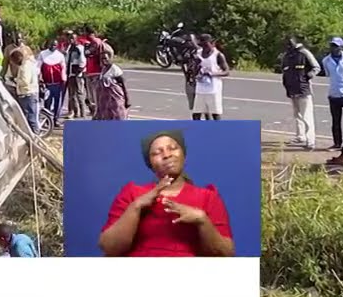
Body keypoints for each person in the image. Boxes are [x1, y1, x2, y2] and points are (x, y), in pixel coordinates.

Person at [98, 130, 235, 257]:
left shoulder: (208, 197)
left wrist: (202, 220)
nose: (167, 155)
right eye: (157, 153)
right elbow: (109, 248)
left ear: (183, 155)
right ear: (150, 163)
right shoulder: (132, 193)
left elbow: (225, 253)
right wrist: (136, 207)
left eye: (173, 148)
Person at [280, 34, 321, 149]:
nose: (288, 47)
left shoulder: (304, 53)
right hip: (292, 89)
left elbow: (316, 67)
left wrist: (308, 76)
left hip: (303, 89)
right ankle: (300, 136)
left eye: (290, 44)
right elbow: (283, 70)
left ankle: (310, 140)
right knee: (297, 115)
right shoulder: (287, 56)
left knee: (306, 115)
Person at [5, 36, 40, 134]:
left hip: (28, 94)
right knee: (29, 118)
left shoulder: (25, 67)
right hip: (27, 93)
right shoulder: (27, 64)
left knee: (31, 119)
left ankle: (35, 138)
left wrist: (16, 80)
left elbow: (25, 81)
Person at [192, 34, 229, 121]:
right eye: (202, 45)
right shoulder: (198, 54)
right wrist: (196, 68)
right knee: (196, 114)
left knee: (215, 114)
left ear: (212, 43)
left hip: (213, 90)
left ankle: (217, 132)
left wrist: (213, 74)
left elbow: (226, 72)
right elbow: (194, 71)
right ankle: (199, 131)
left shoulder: (218, 55)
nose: (204, 48)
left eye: (206, 45)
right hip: (200, 89)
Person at [91, 49, 130, 121]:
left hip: (115, 99)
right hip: (105, 101)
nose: (103, 60)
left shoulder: (114, 69)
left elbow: (123, 83)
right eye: (102, 59)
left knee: (117, 114)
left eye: (105, 58)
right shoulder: (103, 69)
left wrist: (127, 99)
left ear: (110, 58)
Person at [38, 38, 67, 125]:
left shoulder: (60, 55)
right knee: (47, 102)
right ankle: (48, 120)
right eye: (51, 44)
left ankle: (56, 119)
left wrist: (63, 78)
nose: (52, 46)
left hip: (58, 83)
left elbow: (63, 68)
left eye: (54, 45)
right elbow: (38, 66)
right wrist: (39, 77)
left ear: (57, 46)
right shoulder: (43, 54)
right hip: (47, 84)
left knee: (57, 103)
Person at [64, 30, 87, 119]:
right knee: (71, 95)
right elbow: (67, 60)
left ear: (76, 39)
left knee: (79, 94)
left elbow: (83, 61)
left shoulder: (79, 48)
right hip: (70, 74)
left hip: (77, 74)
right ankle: (75, 112)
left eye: (72, 38)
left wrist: (78, 73)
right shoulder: (69, 48)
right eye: (69, 38)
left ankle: (83, 112)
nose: (71, 40)